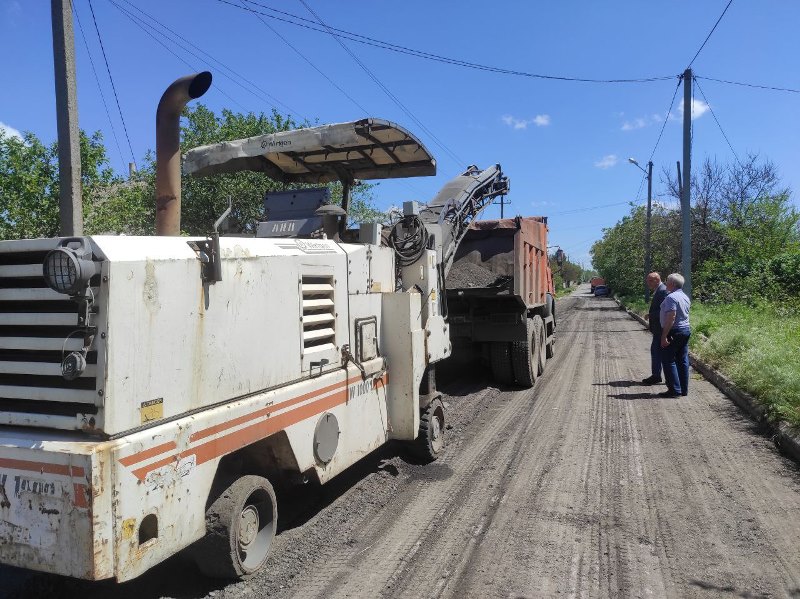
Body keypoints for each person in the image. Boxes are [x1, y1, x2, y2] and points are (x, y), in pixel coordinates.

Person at [658, 273, 691, 398]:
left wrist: (664, 335)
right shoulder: (685, 296)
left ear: (672, 284)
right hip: (685, 330)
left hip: (674, 331)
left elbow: (671, 317)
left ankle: (674, 390)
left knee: (668, 360)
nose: (666, 283)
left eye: (667, 281)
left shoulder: (671, 297)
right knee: (682, 360)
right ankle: (683, 389)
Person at [641, 272, 668, 385]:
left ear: (657, 280)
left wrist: (650, 315)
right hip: (659, 327)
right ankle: (657, 375)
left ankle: (657, 376)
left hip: (661, 327)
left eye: (650, 281)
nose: (648, 283)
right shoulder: (659, 289)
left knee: (657, 352)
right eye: (647, 280)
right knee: (656, 352)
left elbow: (664, 310)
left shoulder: (662, 290)